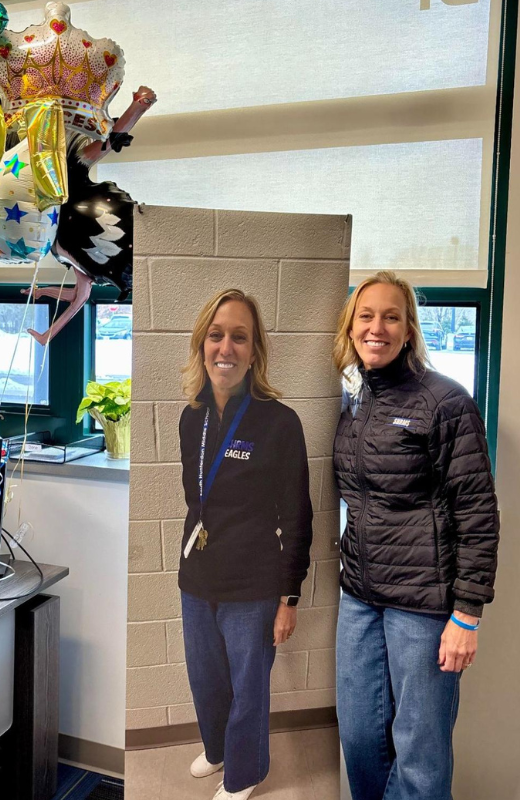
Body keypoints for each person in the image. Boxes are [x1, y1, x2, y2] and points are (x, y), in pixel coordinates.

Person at [332, 271, 499, 800]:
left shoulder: (445, 401)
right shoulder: (352, 402)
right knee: (359, 739)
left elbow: (478, 512)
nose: (376, 327)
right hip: (360, 597)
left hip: (425, 608)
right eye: (366, 315)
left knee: (421, 754)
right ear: (351, 326)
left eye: (391, 317)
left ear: (409, 330)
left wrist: (466, 615)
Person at [177, 288, 313, 800]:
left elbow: (298, 514)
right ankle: (217, 750)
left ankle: (245, 773)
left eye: (239, 337)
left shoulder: (279, 422)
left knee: (248, 691)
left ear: (254, 351)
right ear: (202, 344)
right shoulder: (192, 417)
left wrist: (288, 597)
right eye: (216, 336)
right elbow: (197, 499)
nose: (226, 348)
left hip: (253, 585)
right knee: (206, 680)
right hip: (198, 576)